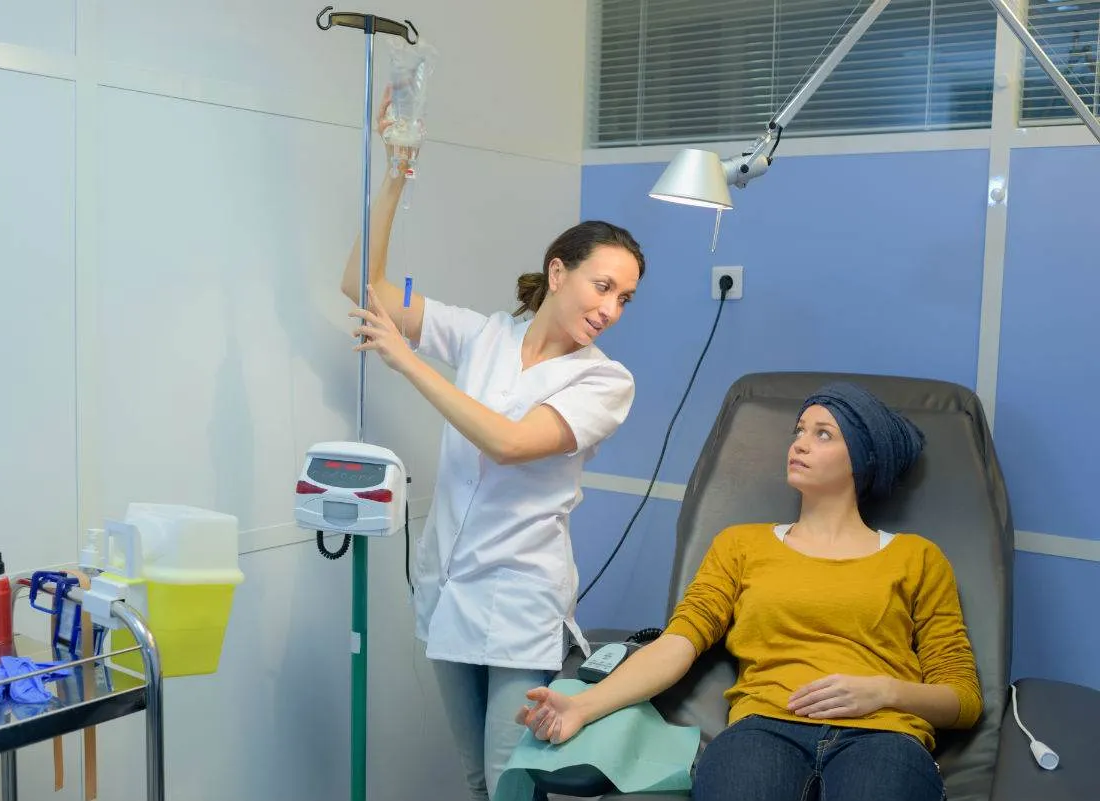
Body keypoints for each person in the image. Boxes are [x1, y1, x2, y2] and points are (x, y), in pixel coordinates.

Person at [341, 89, 646, 801]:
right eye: (603, 285)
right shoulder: (484, 334)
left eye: (625, 298)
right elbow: (362, 286)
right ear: (559, 269)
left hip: (518, 601)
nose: (610, 308)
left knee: (513, 783)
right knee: (478, 779)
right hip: (449, 585)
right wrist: (396, 172)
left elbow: (509, 443)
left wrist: (407, 359)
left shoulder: (607, 382)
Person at [517, 382, 983, 801]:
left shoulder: (917, 557)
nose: (799, 443)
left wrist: (883, 692)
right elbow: (678, 643)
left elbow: (962, 698)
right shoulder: (741, 545)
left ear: (863, 458)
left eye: (824, 434)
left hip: (884, 737)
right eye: (799, 430)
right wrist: (581, 706)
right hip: (763, 730)